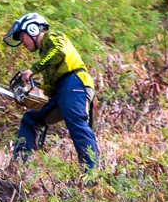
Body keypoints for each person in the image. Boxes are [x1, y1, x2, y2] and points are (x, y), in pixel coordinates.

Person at [6, 13, 99, 169]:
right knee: (30, 119)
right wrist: (33, 92)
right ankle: (18, 167)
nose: (22, 42)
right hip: (61, 89)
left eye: (22, 37)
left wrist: (33, 69)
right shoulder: (45, 54)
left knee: (77, 124)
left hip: (74, 81)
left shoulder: (52, 36)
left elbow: (60, 51)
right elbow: (49, 86)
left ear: (33, 29)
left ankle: (92, 173)